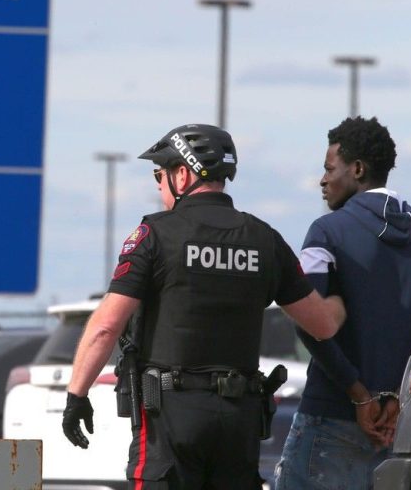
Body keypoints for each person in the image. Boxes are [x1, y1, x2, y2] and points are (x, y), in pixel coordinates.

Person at [61, 123, 347, 489]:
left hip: (171, 417)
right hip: (239, 420)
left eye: (159, 175)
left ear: (183, 174)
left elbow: (106, 326)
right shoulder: (265, 239)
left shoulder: (154, 235)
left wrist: (77, 396)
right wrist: (340, 298)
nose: (159, 186)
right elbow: (323, 325)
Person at [275, 116, 411, 490]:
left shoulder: (326, 232)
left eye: (329, 168)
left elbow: (307, 321)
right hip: (398, 433)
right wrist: (399, 399)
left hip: (329, 421)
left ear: (358, 169)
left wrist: (359, 395)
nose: (322, 180)